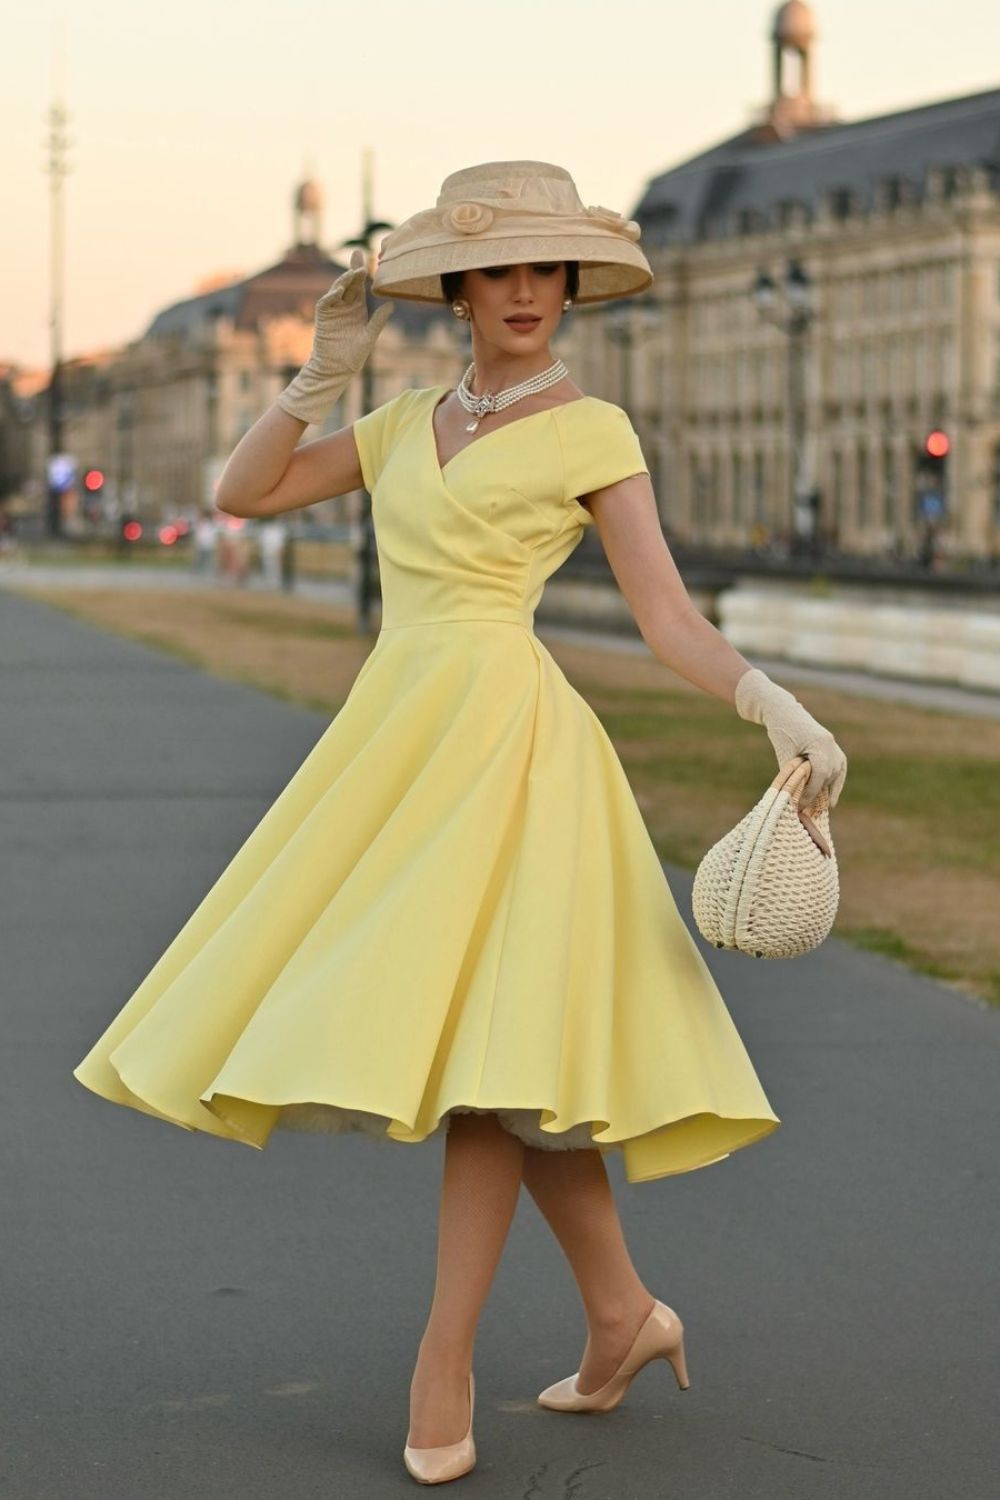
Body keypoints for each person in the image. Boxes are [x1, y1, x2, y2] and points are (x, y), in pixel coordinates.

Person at [71, 161, 848, 1487]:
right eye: (503, 271)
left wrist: (773, 704)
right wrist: (325, 366)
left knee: (490, 1073)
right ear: (459, 293)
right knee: (506, 1067)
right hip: (397, 746)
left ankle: (445, 1360)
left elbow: (665, 616)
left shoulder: (594, 427)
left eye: (549, 270)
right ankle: (621, 1316)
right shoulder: (404, 421)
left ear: (569, 286)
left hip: (517, 754)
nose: (530, 292)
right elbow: (242, 494)